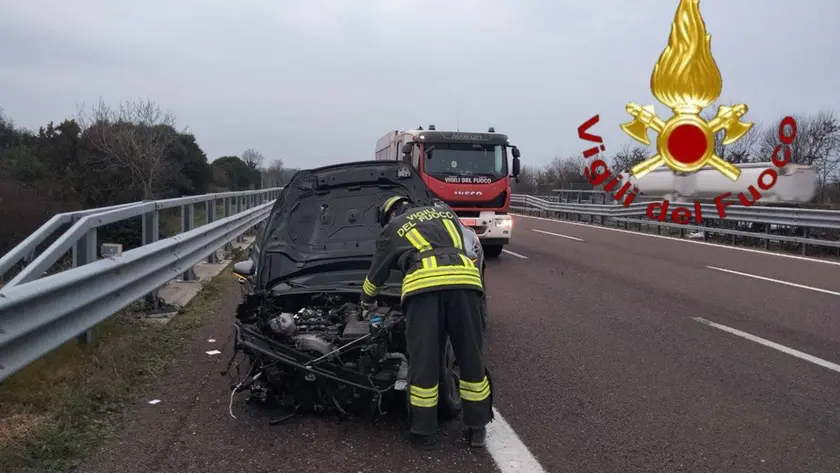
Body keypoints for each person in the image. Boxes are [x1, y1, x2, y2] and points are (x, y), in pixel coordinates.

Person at [360, 195, 493, 450]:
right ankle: (477, 429)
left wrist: (366, 300)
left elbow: (376, 274)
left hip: (425, 290)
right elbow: (467, 247)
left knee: (424, 361)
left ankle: (423, 431)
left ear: (389, 213)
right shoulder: (445, 214)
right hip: (466, 284)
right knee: (471, 358)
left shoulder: (393, 227)